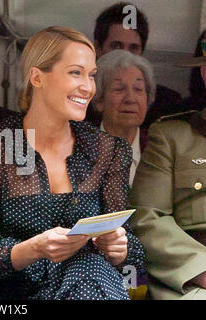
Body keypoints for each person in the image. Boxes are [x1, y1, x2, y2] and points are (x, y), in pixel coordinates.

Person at [0, 26, 145, 300]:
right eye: (75, 72)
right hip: (22, 294)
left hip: (95, 285)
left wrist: (120, 248)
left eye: (92, 75)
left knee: (91, 270)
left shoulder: (109, 150)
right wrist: (33, 248)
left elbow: (134, 255)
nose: (88, 87)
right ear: (37, 77)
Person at [130, 53, 206, 300]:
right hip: (193, 276)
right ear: (205, 74)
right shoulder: (171, 136)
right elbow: (147, 218)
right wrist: (199, 267)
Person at [86, 1, 181, 129]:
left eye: (133, 48)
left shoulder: (167, 103)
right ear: (97, 48)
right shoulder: (77, 100)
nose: (125, 55)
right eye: (116, 47)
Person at [93, 49, 156, 185]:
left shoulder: (160, 150)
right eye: (118, 89)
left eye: (138, 89)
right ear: (99, 100)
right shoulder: (76, 149)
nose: (130, 99)